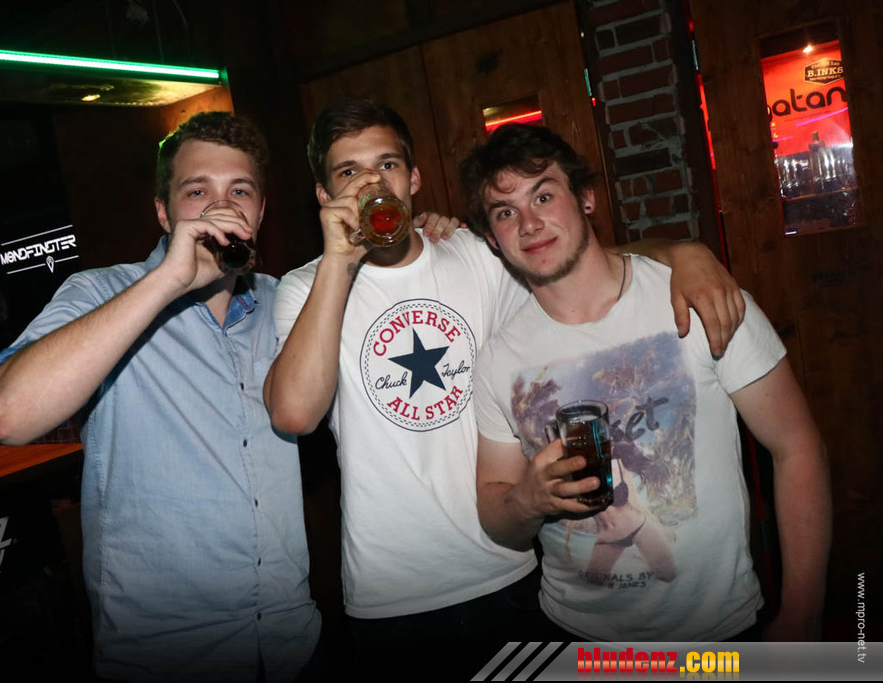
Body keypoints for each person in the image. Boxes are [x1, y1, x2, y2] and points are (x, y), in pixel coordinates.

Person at [263, 97, 744, 675]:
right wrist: (339, 260)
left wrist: (683, 251)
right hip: (391, 593)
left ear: (413, 178)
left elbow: (578, 259)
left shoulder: (474, 254)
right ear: (324, 195)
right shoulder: (305, 288)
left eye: (387, 165)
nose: (373, 183)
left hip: (510, 567)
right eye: (349, 172)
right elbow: (295, 415)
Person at [0, 112, 320, 681]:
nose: (221, 206)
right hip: (166, 655)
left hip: (291, 642)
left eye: (240, 191)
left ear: (260, 212)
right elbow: (7, 416)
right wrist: (168, 280)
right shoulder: (102, 292)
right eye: (197, 191)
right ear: (164, 212)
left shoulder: (283, 301)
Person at [466, 123, 830, 642]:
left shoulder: (699, 300)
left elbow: (796, 448)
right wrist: (529, 499)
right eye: (505, 212)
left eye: (543, 196)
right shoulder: (498, 360)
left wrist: (802, 612)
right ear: (492, 239)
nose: (529, 223)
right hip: (576, 639)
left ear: (586, 198)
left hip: (717, 636)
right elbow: (495, 510)